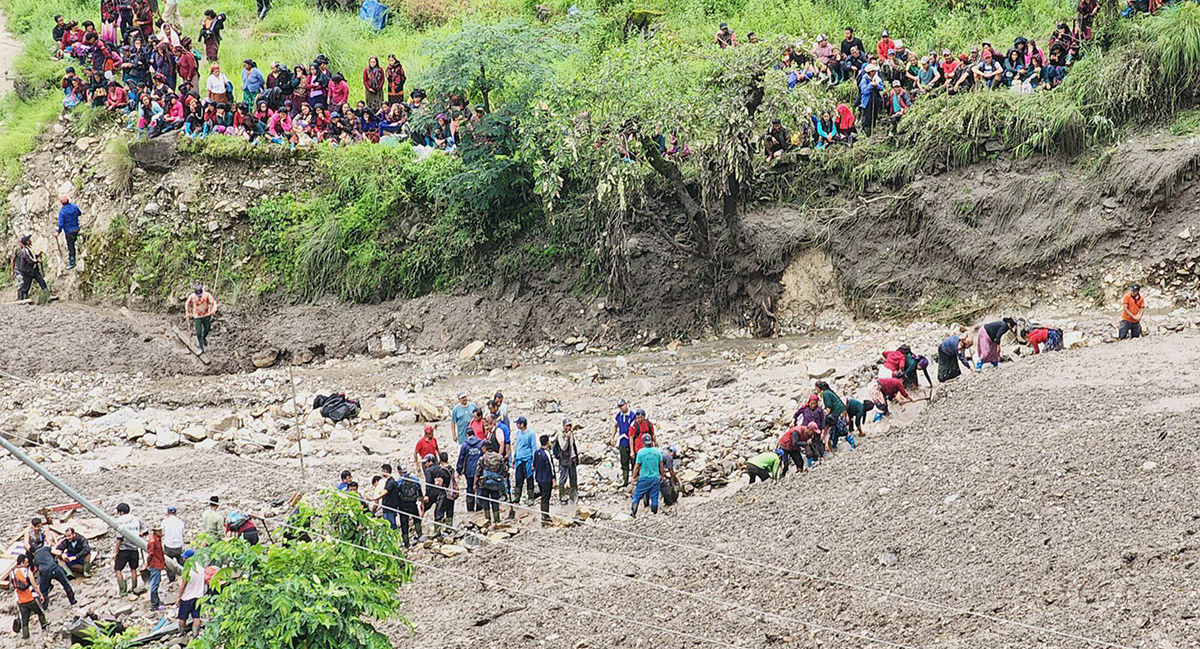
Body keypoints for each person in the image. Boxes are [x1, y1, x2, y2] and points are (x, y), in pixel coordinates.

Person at [12, 555, 47, 641]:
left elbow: (13, 585)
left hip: (20, 600)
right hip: (31, 597)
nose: (28, 564)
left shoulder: (12, 572)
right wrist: (40, 595)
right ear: (22, 562)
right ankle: (44, 626)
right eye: (26, 562)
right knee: (40, 612)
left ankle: (26, 636)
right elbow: (34, 585)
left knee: (24, 619)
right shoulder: (27, 571)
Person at [630, 434, 665, 517]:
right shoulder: (657, 452)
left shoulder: (641, 453)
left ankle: (633, 513)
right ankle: (654, 514)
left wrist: (633, 477)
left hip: (644, 478)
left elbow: (637, 466)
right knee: (654, 497)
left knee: (637, 496)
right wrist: (662, 475)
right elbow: (661, 465)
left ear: (643, 442)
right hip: (655, 478)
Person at [112, 503, 142, 597]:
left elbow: (119, 538)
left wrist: (115, 551)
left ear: (120, 512)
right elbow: (143, 532)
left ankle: (122, 591)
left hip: (123, 549)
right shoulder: (136, 519)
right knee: (133, 569)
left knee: (118, 569)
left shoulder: (120, 521)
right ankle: (134, 588)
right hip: (134, 548)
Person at [422, 453, 454, 538]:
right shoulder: (450, 468)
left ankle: (437, 531)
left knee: (438, 511)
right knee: (449, 509)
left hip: (442, 493)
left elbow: (430, 483)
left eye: (426, 462)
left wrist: (427, 494)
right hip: (451, 492)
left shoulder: (435, 470)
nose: (425, 465)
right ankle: (449, 528)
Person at [816, 380, 854, 450]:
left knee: (842, 428)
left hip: (838, 412)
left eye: (816, 388)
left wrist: (824, 417)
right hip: (841, 411)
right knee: (835, 429)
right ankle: (834, 446)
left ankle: (852, 443)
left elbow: (829, 407)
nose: (816, 390)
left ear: (819, 388)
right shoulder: (828, 392)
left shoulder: (825, 393)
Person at [175, 550, 205, 639]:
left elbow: (183, 585)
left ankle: (181, 633)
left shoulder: (187, 569)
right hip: (198, 596)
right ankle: (195, 635)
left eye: (185, 558)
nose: (184, 560)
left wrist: (178, 597)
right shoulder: (201, 568)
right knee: (196, 617)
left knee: (182, 617)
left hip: (187, 597)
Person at [476, 440, 507, 525]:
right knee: (495, 500)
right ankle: (497, 519)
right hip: (496, 482)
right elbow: (504, 470)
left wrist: (474, 484)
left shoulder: (482, 458)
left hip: (485, 483)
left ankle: (488, 519)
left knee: (486, 501)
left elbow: (477, 472)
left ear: (484, 448)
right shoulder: (499, 457)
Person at [511, 416, 537, 513]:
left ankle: (530, 497)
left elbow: (533, 447)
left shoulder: (531, 434)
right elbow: (517, 445)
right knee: (518, 479)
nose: (517, 425)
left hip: (528, 459)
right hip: (519, 459)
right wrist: (514, 457)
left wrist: (534, 462)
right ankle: (517, 496)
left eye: (518, 423)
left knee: (529, 478)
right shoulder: (518, 433)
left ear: (522, 424)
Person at [395, 465, 424, 548]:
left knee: (404, 523)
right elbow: (419, 489)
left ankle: (406, 543)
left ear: (399, 472)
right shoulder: (414, 478)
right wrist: (421, 500)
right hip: (412, 502)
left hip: (403, 504)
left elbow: (397, 492)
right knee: (416, 518)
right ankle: (420, 535)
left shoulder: (399, 481)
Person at [456, 430, 485, 512]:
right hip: (479, 470)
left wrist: (459, 470)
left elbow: (461, 458)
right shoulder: (480, 443)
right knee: (479, 488)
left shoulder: (465, 445)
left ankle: (470, 509)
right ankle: (479, 508)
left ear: (467, 435)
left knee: (469, 489)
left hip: (469, 471)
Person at [553, 418, 580, 505]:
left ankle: (574, 495)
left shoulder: (571, 433)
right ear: (563, 426)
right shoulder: (561, 435)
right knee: (563, 478)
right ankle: (562, 495)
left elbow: (573, 445)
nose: (569, 427)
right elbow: (563, 447)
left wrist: (576, 456)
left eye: (570, 425)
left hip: (572, 458)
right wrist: (567, 439)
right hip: (564, 460)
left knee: (573, 477)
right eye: (567, 425)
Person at [185, 284, 218, 353]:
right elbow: (187, 303)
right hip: (197, 316)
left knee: (207, 328)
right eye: (198, 295)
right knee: (198, 332)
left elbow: (213, 302)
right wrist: (187, 312)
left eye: (200, 295)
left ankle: (203, 337)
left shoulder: (207, 295)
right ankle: (201, 348)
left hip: (206, 314)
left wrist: (214, 309)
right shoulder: (192, 296)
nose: (199, 297)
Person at [610, 399, 636, 486]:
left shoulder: (632, 415)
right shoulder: (619, 416)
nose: (622, 407)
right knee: (624, 461)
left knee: (633, 461)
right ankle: (625, 480)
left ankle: (634, 478)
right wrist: (612, 437)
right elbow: (615, 425)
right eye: (620, 406)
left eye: (622, 405)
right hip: (622, 441)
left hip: (632, 441)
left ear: (626, 404)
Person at [12, 235, 47, 301]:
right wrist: (38, 261)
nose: (31, 240)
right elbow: (29, 260)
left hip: (33, 270)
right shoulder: (25, 251)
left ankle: (47, 295)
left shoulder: (29, 249)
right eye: (29, 239)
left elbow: (32, 257)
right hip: (28, 271)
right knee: (26, 286)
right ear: (27, 242)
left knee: (41, 282)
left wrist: (37, 255)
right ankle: (21, 299)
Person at [532, 435, 556, 523]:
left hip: (539, 478)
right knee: (546, 497)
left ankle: (543, 513)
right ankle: (545, 514)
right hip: (546, 479)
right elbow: (550, 466)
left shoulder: (536, 452)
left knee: (543, 496)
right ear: (547, 442)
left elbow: (533, 465)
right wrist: (554, 478)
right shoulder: (547, 453)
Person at [859, 63, 885, 136]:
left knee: (874, 115)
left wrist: (877, 85)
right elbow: (864, 91)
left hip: (875, 99)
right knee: (867, 117)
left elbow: (881, 87)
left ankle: (873, 130)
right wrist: (870, 85)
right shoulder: (864, 79)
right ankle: (866, 133)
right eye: (873, 71)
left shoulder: (877, 78)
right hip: (867, 101)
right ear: (870, 72)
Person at [161, 506, 185, 581]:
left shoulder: (165, 522)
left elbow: (162, 533)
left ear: (168, 513)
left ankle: (171, 578)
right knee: (181, 561)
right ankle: (184, 575)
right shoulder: (180, 522)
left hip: (168, 545)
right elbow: (182, 532)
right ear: (176, 513)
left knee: (168, 563)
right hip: (178, 545)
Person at [57, 196, 81, 269]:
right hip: (76, 228)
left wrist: (58, 232)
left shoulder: (62, 212)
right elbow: (79, 213)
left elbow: (61, 224)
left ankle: (72, 262)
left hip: (69, 231)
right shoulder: (74, 206)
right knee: (76, 242)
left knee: (71, 247)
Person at [146, 525, 167, 611]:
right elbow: (150, 554)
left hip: (157, 563)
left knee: (156, 583)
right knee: (154, 584)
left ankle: (156, 601)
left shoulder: (157, 539)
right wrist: (148, 564)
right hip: (155, 564)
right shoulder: (153, 541)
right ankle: (154, 604)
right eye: (159, 531)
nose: (161, 532)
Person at [379, 463, 401, 529]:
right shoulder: (389, 481)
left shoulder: (391, 482)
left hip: (390, 508)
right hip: (388, 507)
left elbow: (385, 492)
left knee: (391, 525)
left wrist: (373, 499)